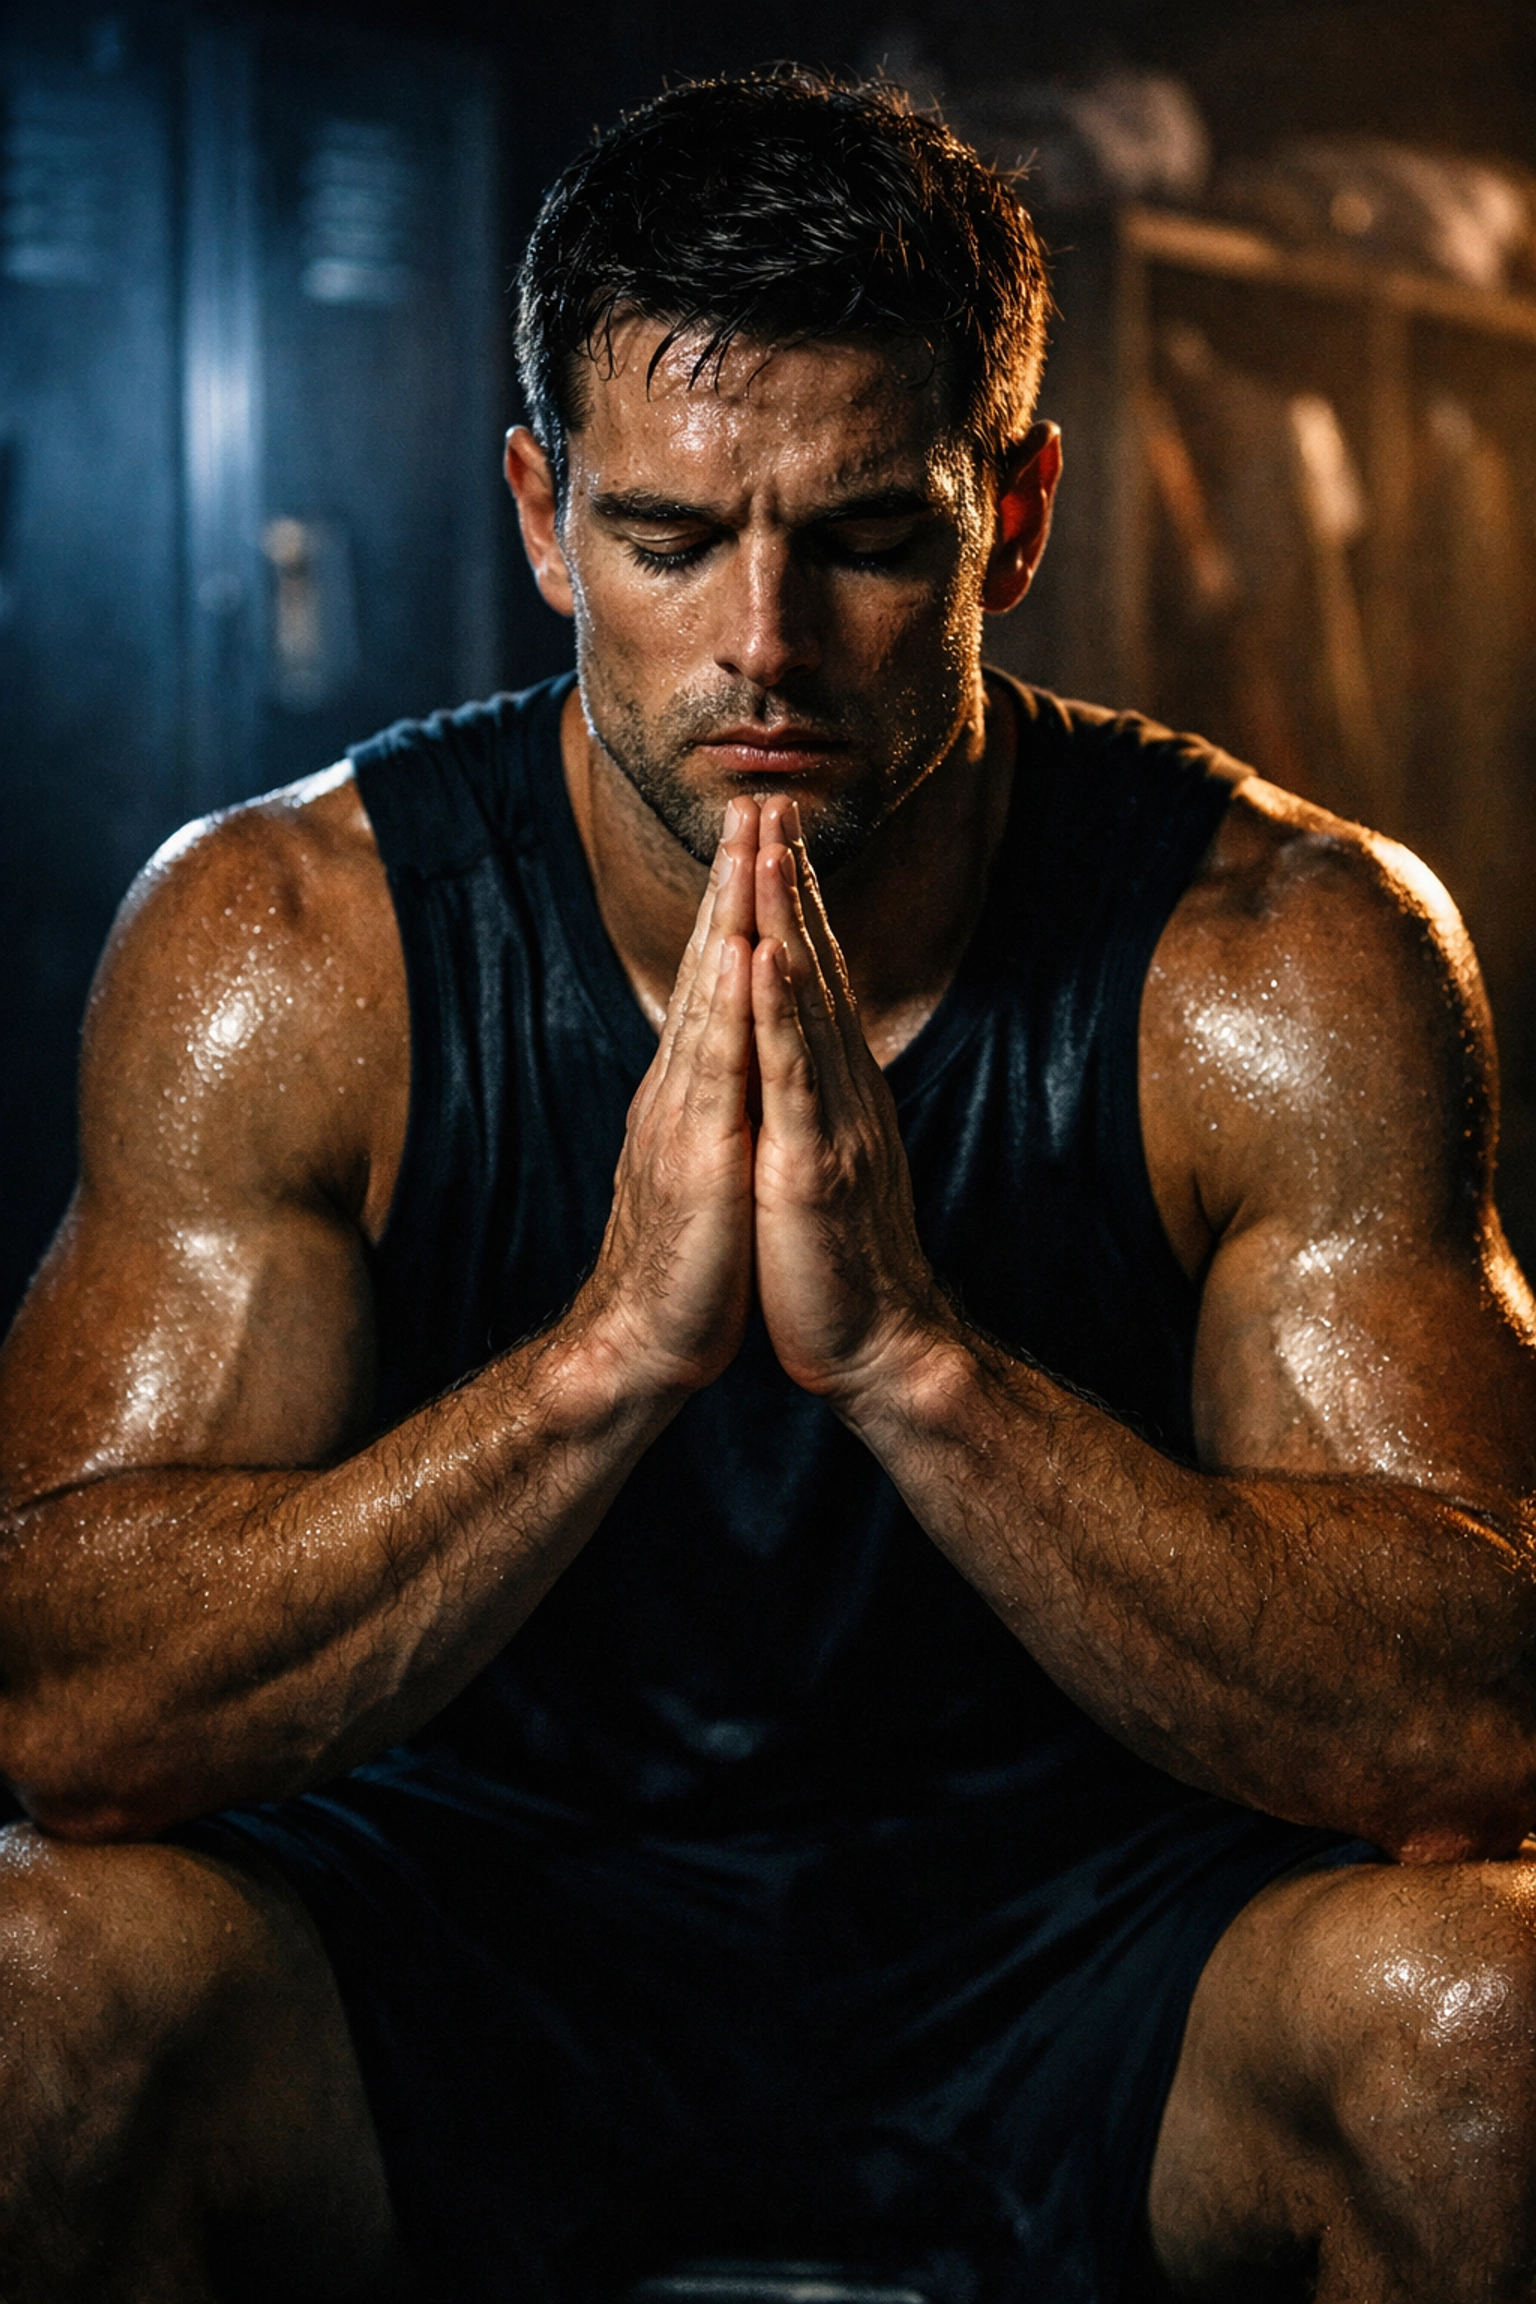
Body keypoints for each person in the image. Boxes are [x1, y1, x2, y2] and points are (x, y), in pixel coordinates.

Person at [2, 67, 1536, 2304]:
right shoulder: (289, 952)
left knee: (1490, 2012)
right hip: (473, 1942)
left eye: (867, 537)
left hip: (1080, 1956)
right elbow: (64, 1713)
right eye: (668, 537)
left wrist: (918, 1361)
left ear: (1010, 522)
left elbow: (1478, 1728)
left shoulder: (1277, 963)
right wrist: (609, 1360)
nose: (763, 644)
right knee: (39, 1982)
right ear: (542, 516)